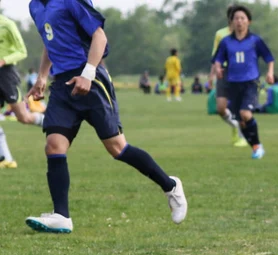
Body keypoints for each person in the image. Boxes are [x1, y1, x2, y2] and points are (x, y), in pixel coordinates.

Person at [26, 0, 187, 233]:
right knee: (54, 145)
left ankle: (170, 186)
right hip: (62, 85)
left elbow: (99, 36)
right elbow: (49, 41)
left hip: (90, 79)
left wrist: (88, 74)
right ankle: (62, 215)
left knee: (117, 147)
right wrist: (42, 77)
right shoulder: (35, 7)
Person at [214, 5, 274, 160]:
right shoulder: (226, 42)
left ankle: (258, 145)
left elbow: (269, 58)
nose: (239, 21)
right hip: (233, 83)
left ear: (249, 21)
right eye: (236, 18)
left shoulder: (255, 40)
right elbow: (218, 59)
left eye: (242, 18)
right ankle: (255, 146)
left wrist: (270, 72)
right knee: (241, 121)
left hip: (251, 82)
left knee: (245, 114)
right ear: (231, 22)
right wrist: (219, 68)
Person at [0, 13, 45, 169]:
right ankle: (6, 159)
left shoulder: (7, 24)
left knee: (23, 117)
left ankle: (55, 124)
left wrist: (3, 60)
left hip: (6, 75)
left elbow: (22, 51)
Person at [208, 5, 246, 148]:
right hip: (223, 72)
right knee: (221, 108)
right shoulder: (220, 34)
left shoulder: (245, 35)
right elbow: (215, 57)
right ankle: (235, 125)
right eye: (235, 17)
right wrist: (211, 76)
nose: (238, 21)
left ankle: (242, 137)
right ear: (230, 18)